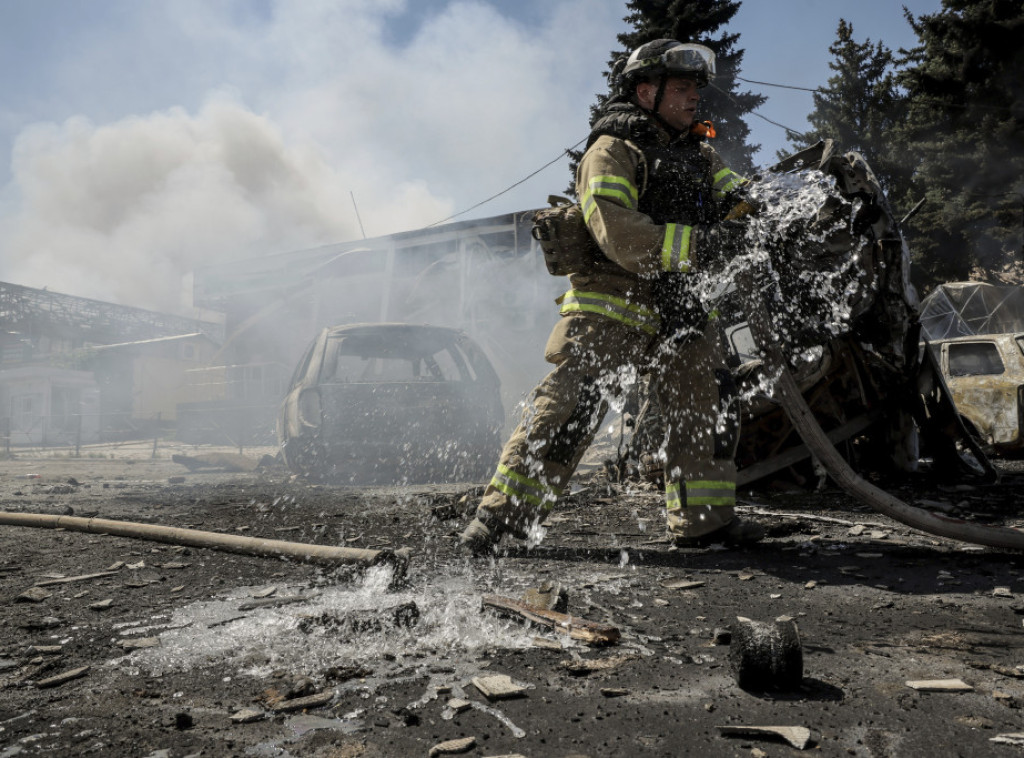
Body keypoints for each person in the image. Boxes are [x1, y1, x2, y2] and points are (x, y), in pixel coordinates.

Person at [460, 39, 764, 554]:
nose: (694, 98)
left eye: (697, 88)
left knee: (706, 404)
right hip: (614, 302)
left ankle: (705, 524)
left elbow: (743, 197)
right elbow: (619, 233)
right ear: (646, 91)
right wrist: (707, 245)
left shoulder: (699, 154)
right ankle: (500, 522)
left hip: (682, 304)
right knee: (569, 409)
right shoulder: (612, 150)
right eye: (683, 87)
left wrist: (757, 213)